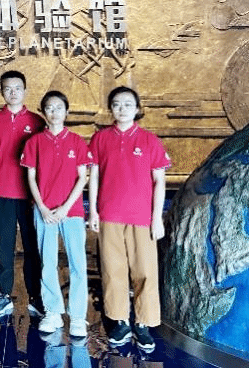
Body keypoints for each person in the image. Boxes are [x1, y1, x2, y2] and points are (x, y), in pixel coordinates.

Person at [88, 86, 170, 353]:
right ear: (111, 108)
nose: (122, 109)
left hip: (141, 217)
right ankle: (120, 321)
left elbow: (159, 181)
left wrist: (157, 218)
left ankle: (143, 323)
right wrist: (93, 211)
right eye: (116, 104)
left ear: (137, 109)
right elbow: (94, 177)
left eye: (127, 104)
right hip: (110, 214)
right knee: (113, 271)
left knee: (145, 271)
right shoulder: (100, 139)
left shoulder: (150, 141)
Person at [21, 91, 92, 337]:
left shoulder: (77, 142)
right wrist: (41, 207)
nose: (54, 112)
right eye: (49, 108)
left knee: (77, 263)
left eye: (59, 107)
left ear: (66, 111)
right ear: (43, 112)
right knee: (47, 262)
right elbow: (31, 177)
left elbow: (82, 177)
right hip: (44, 211)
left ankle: (78, 317)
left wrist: (65, 208)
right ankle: (53, 312)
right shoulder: (34, 143)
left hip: (71, 211)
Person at [0, 70, 44, 317]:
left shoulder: (37, 121)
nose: (13, 93)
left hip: (30, 195)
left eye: (17, 88)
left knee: (32, 246)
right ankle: (4, 294)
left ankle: (35, 296)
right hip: (2, 191)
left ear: (25, 90)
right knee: (4, 246)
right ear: (1, 91)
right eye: (8, 88)